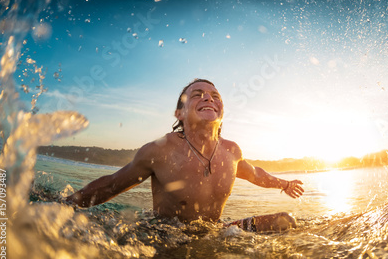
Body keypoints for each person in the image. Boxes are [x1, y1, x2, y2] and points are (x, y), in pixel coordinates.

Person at [66, 79, 304, 232]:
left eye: (215, 96)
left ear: (221, 111)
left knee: (285, 221)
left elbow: (254, 174)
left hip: (217, 231)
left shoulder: (231, 151)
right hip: (166, 235)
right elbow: (111, 185)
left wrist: (285, 184)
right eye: (198, 94)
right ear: (179, 113)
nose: (209, 98)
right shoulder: (160, 150)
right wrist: (64, 206)